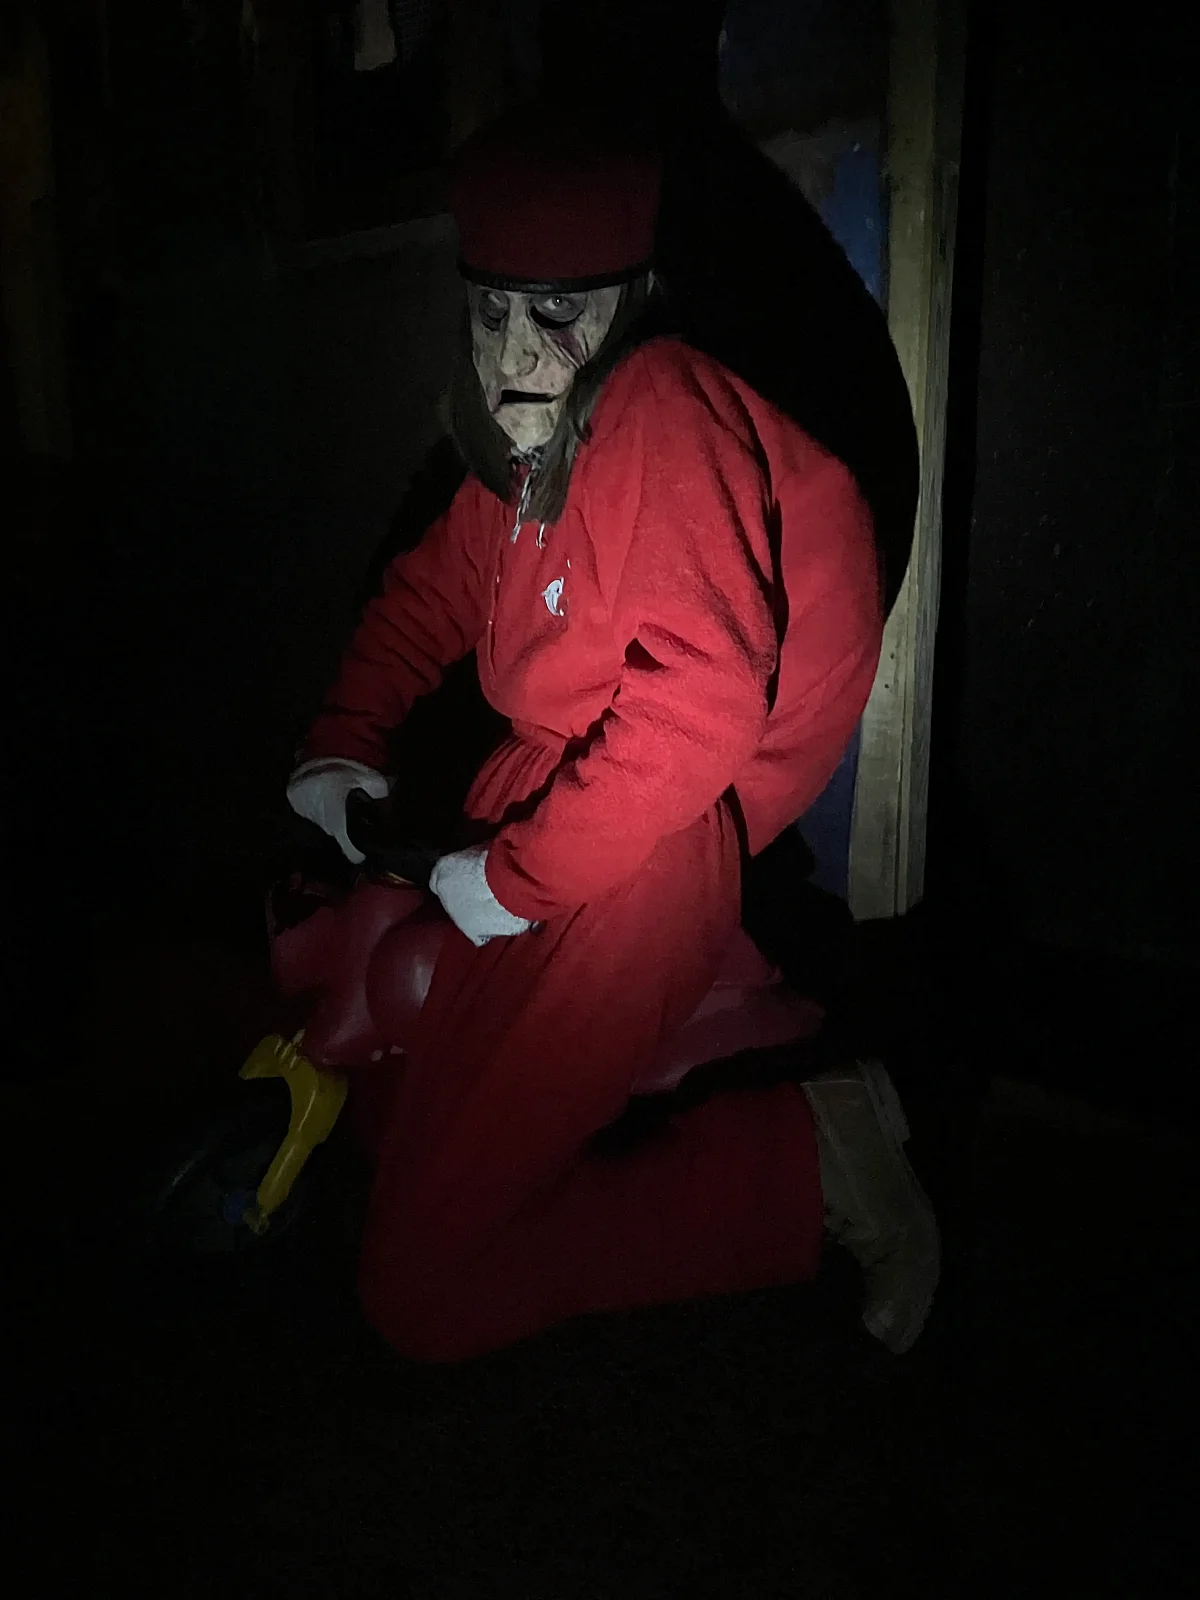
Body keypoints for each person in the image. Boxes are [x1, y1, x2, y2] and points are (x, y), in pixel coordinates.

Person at [286, 113, 939, 1361]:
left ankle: (809, 1160)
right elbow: (431, 595)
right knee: (403, 1129)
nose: (514, 353)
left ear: (630, 303)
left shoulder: (659, 412)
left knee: (419, 1289)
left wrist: (519, 881)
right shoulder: (532, 445)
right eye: (491, 313)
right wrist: (343, 737)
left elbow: (696, 712)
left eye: (556, 314)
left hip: (639, 850)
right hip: (551, 822)